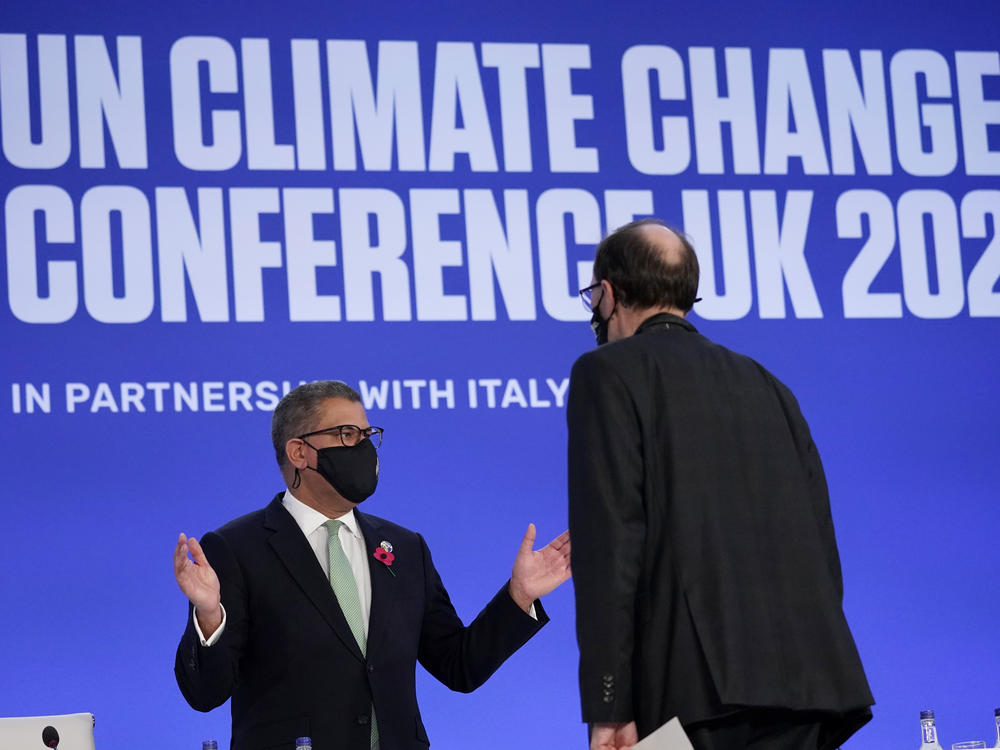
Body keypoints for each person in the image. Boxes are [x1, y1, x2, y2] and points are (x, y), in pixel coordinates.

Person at [567, 219, 874, 750]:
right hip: (809, 691)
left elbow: (610, 548)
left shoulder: (607, 373)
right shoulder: (768, 385)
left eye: (593, 296)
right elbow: (822, 550)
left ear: (610, 294)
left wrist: (609, 703)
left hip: (694, 700)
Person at [174, 380, 571, 750]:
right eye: (347, 435)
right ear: (299, 452)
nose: (363, 447)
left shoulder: (404, 546)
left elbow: (458, 665)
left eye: (367, 435)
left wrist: (518, 597)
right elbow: (205, 693)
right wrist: (209, 616)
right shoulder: (236, 547)